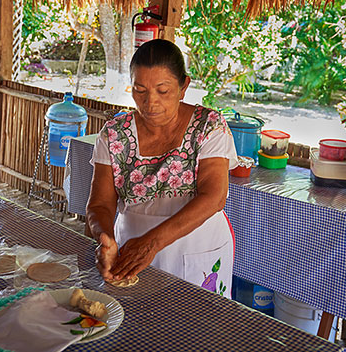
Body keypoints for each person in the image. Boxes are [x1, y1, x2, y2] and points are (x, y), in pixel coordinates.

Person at [86, 39, 238, 296]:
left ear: (183, 87)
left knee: (199, 329)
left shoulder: (209, 127)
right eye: (140, 90)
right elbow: (99, 205)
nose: (150, 103)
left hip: (197, 247)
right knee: (137, 326)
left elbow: (214, 198)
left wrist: (152, 243)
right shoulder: (114, 135)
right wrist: (105, 238)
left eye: (162, 90)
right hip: (131, 250)